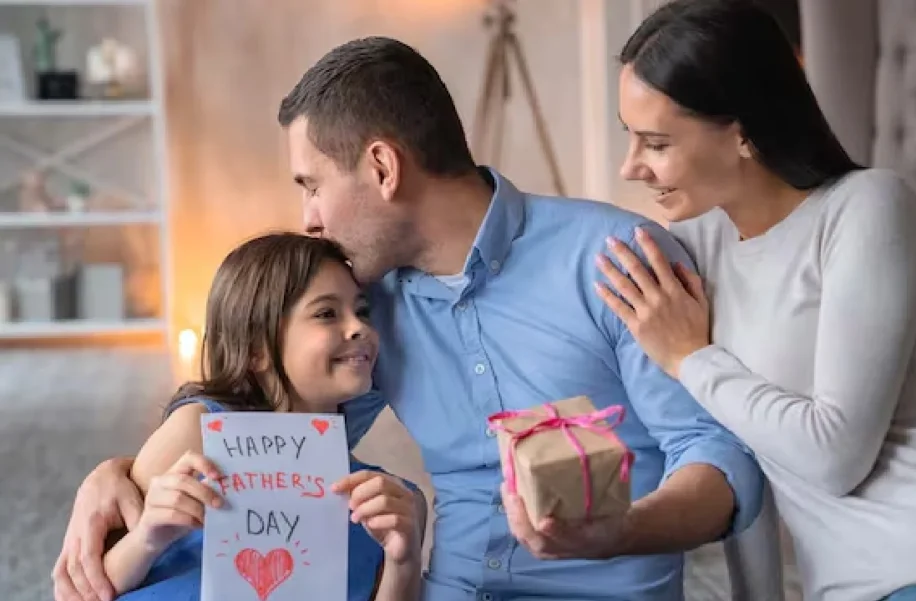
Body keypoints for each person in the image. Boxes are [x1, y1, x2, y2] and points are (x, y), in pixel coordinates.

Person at [53, 36, 768, 601]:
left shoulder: (611, 258)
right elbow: (271, 420)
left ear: (383, 167)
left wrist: (614, 532)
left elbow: (718, 462)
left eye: (312, 185)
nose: (308, 218)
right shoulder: (374, 307)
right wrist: (118, 471)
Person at [593, 1, 916, 601]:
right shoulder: (697, 249)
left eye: (655, 142)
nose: (630, 166)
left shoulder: (868, 208)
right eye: (629, 136)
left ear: (741, 132)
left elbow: (833, 455)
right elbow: (743, 468)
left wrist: (690, 358)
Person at [98, 233, 424, 601]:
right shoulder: (195, 433)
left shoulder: (393, 504)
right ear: (256, 349)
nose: (359, 327)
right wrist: (146, 538)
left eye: (362, 311)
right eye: (326, 313)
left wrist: (405, 562)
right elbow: (85, 587)